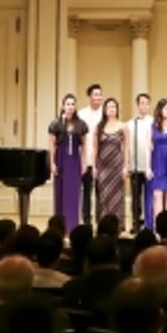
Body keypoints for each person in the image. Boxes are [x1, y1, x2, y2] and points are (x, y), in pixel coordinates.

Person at [48, 95, 88, 231]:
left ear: (75, 107)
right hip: (61, 160)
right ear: (63, 106)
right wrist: (52, 163)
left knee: (73, 194)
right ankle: (59, 227)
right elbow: (52, 145)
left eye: (72, 104)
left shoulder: (81, 124)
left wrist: (84, 163)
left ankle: (72, 226)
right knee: (60, 193)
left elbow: (84, 146)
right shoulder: (56, 124)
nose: (70, 107)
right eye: (68, 104)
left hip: (74, 161)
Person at [91, 97, 130, 226]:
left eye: (114, 107)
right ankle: (103, 224)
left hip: (117, 165)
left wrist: (125, 166)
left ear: (117, 109)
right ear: (105, 110)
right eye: (109, 107)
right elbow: (95, 147)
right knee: (103, 195)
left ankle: (116, 225)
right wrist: (94, 167)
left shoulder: (123, 126)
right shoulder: (99, 127)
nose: (111, 109)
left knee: (117, 197)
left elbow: (126, 148)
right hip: (103, 166)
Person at [80, 83, 106, 225]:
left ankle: (100, 220)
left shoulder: (106, 114)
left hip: (103, 160)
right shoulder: (81, 114)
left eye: (100, 94)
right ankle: (87, 220)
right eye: (95, 94)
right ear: (89, 97)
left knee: (101, 193)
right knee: (86, 192)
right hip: (87, 159)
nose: (99, 97)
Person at [129, 93, 154, 233]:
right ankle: (136, 222)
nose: (144, 106)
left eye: (146, 103)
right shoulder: (132, 123)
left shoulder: (154, 122)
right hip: (135, 166)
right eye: (141, 103)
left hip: (150, 166)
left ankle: (149, 222)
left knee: (149, 195)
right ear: (137, 105)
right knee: (135, 196)